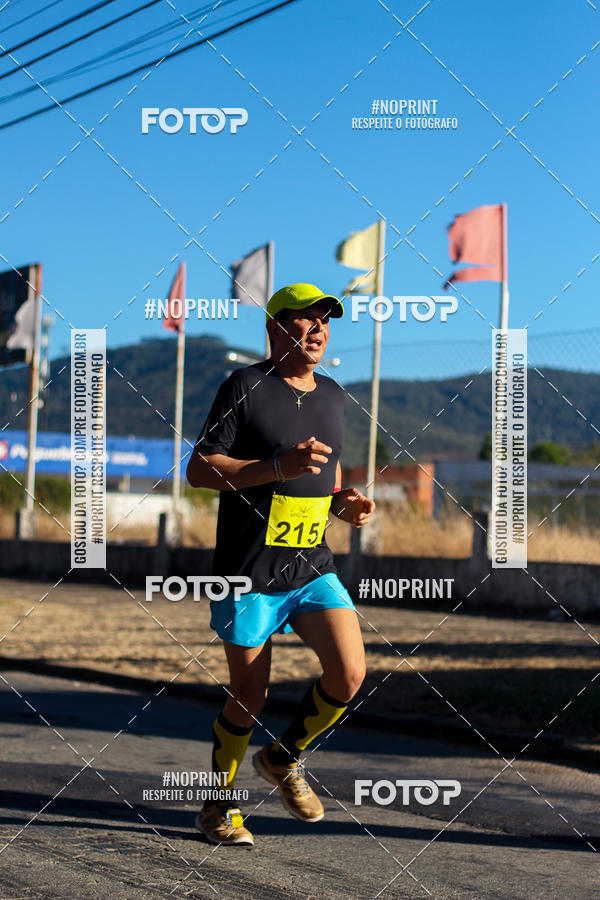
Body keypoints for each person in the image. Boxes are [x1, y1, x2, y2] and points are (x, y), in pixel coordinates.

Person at [186, 282, 375, 846]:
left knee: (350, 673)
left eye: (325, 321)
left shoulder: (334, 395)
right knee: (249, 695)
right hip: (248, 569)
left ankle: (283, 757)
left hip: (311, 566)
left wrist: (344, 503)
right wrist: (274, 467)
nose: (317, 329)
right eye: (305, 318)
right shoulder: (244, 386)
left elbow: (320, 480)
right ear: (274, 327)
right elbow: (200, 469)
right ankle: (217, 808)